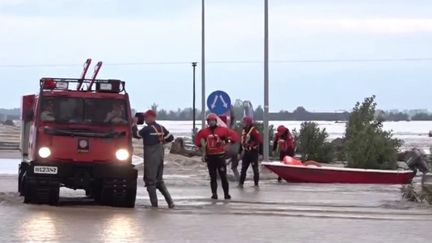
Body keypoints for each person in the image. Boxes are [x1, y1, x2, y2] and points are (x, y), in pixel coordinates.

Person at [194, 113, 239, 200]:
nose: (211, 123)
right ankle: (214, 194)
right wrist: (203, 154)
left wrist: (227, 144)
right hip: (210, 157)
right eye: (209, 121)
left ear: (215, 121)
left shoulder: (223, 130)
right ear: (207, 122)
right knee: (213, 177)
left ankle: (226, 194)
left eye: (213, 121)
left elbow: (234, 137)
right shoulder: (203, 132)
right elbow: (199, 143)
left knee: (223, 176)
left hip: (220, 157)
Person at [138, 110, 175, 208]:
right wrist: (161, 141)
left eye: (146, 117)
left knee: (150, 182)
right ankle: (170, 203)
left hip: (151, 158)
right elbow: (171, 138)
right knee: (159, 181)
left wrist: (133, 124)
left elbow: (136, 135)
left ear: (152, 117)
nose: (145, 119)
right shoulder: (161, 128)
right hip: (160, 157)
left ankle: (154, 206)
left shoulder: (147, 129)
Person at [239, 116, 263, 187]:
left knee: (255, 169)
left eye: (244, 122)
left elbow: (260, 142)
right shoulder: (244, 130)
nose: (242, 123)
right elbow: (242, 142)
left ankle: (256, 184)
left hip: (253, 153)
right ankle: (241, 183)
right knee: (243, 169)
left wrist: (261, 153)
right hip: (246, 153)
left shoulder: (254, 131)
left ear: (248, 123)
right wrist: (239, 152)